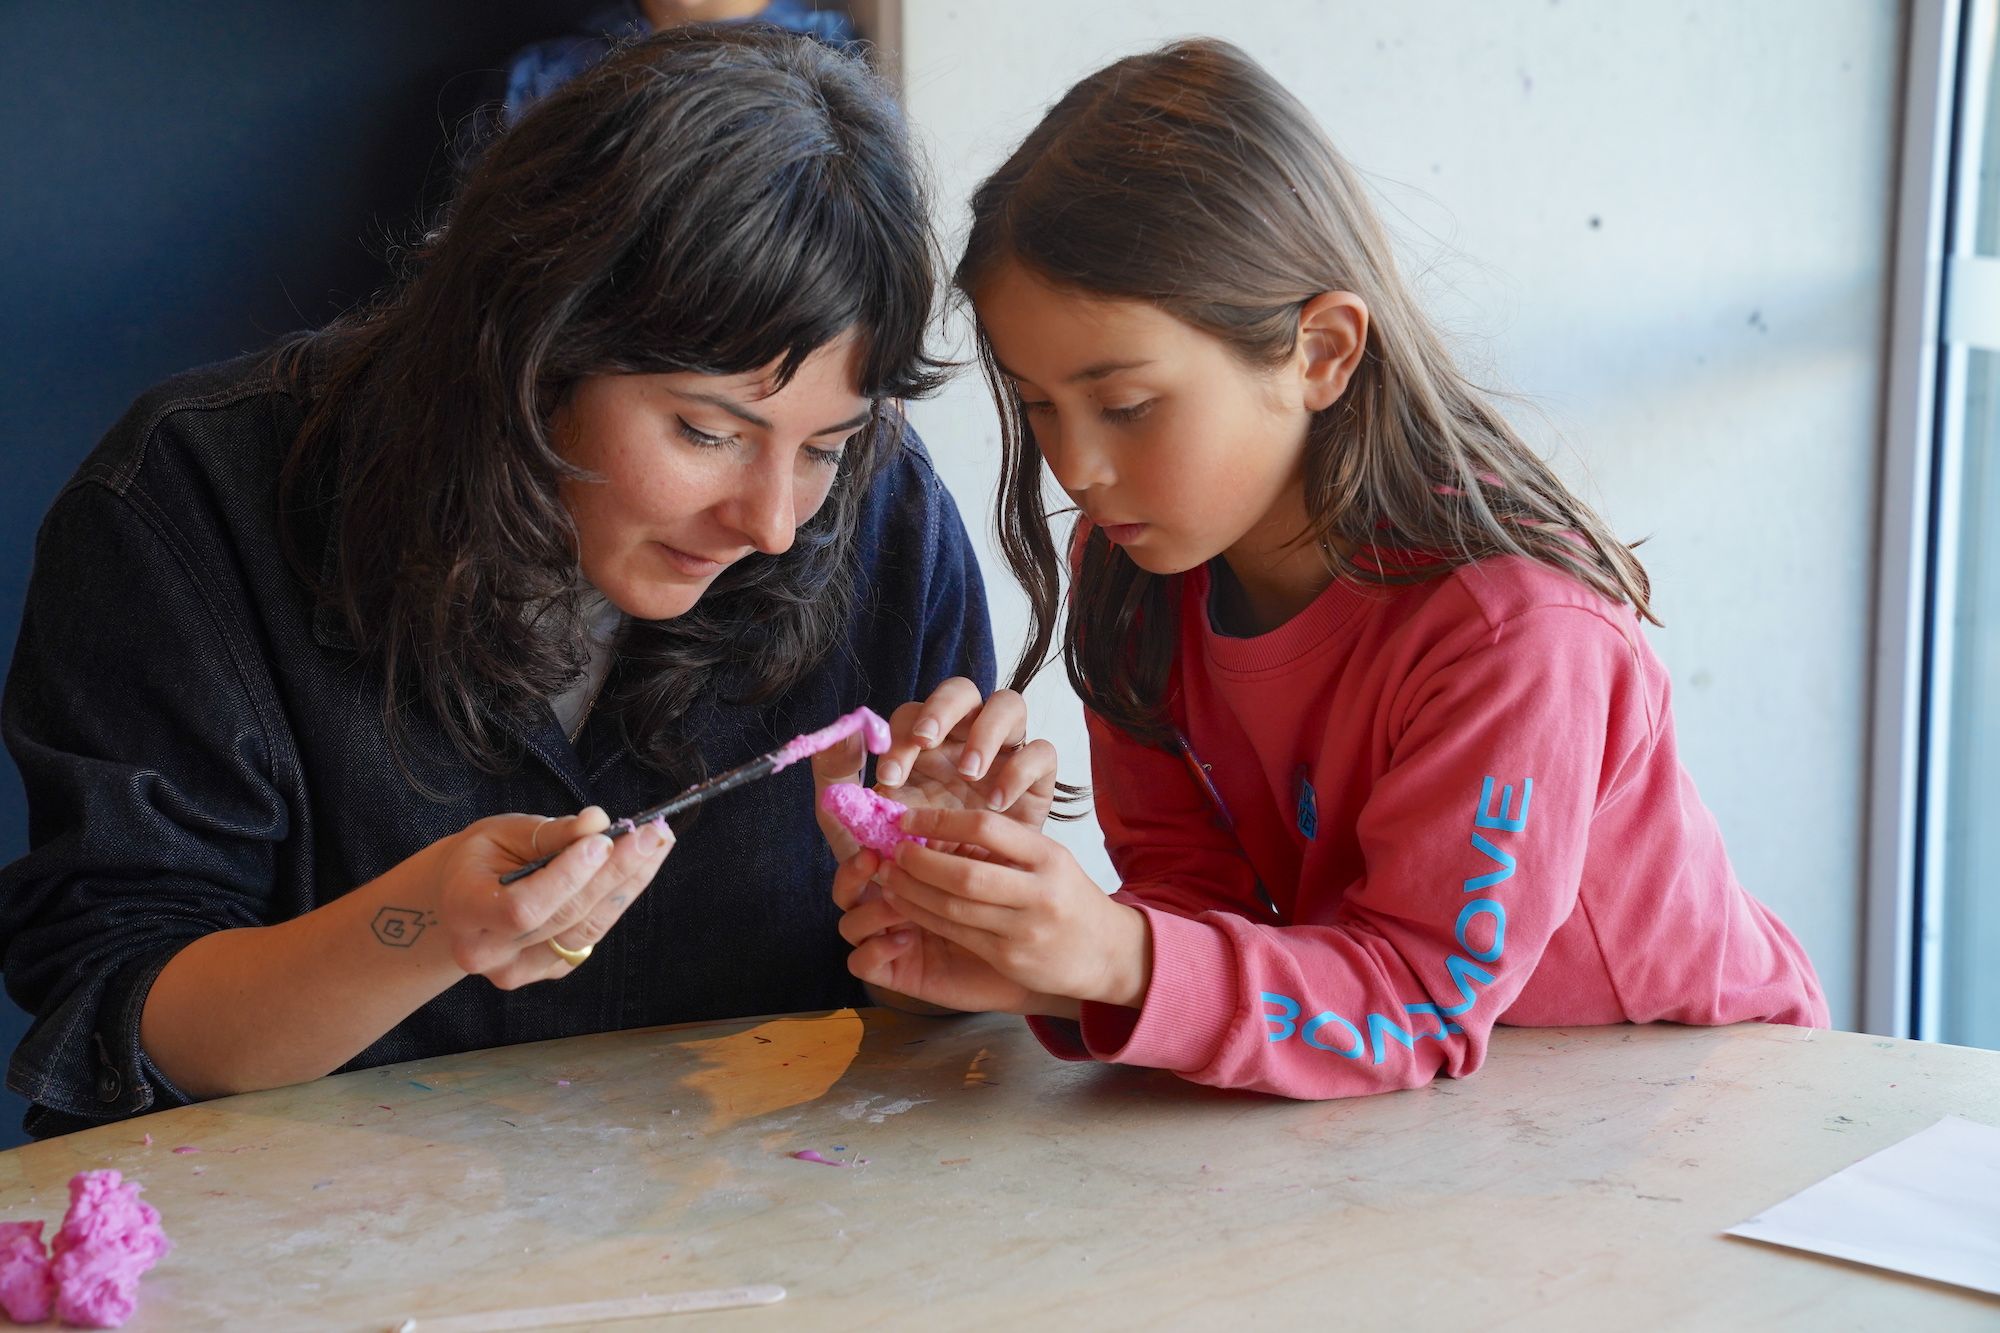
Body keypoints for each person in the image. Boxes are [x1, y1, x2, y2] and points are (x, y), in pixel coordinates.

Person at [0, 27, 1048, 1139]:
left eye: (826, 446)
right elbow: (126, 1011)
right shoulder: (193, 503)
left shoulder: (884, 517)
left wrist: (942, 908)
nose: (775, 522)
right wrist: (420, 928)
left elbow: (917, 1035)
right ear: (533, 345)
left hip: (765, 1218)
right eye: (707, 432)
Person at [834, 38, 1829, 1100]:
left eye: (1126, 406)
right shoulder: (1130, 570)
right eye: (1038, 405)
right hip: (1440, 1105)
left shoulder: (1516, 632)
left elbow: (1416, 999)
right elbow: (1196, 900)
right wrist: (1020, 944)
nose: (1076, 466)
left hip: (1699, 1090)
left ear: (1320, 352)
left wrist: (1119, 957)